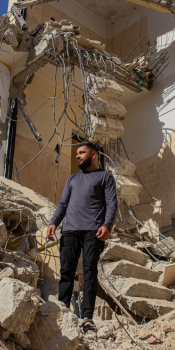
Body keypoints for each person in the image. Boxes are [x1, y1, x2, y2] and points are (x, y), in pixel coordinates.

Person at [46, 142, 118, 334]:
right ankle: (62, 309)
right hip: (69, 230)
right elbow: (62, 204)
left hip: (93, 231)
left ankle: (87, 318)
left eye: (82, 152)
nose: (77, 156)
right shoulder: (72, 179)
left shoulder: (105, 177)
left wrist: (107, 225)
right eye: (77, 153)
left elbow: (112, 203)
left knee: (89, 273)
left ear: (93, 155)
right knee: (66, 271)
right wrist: (54, 222)